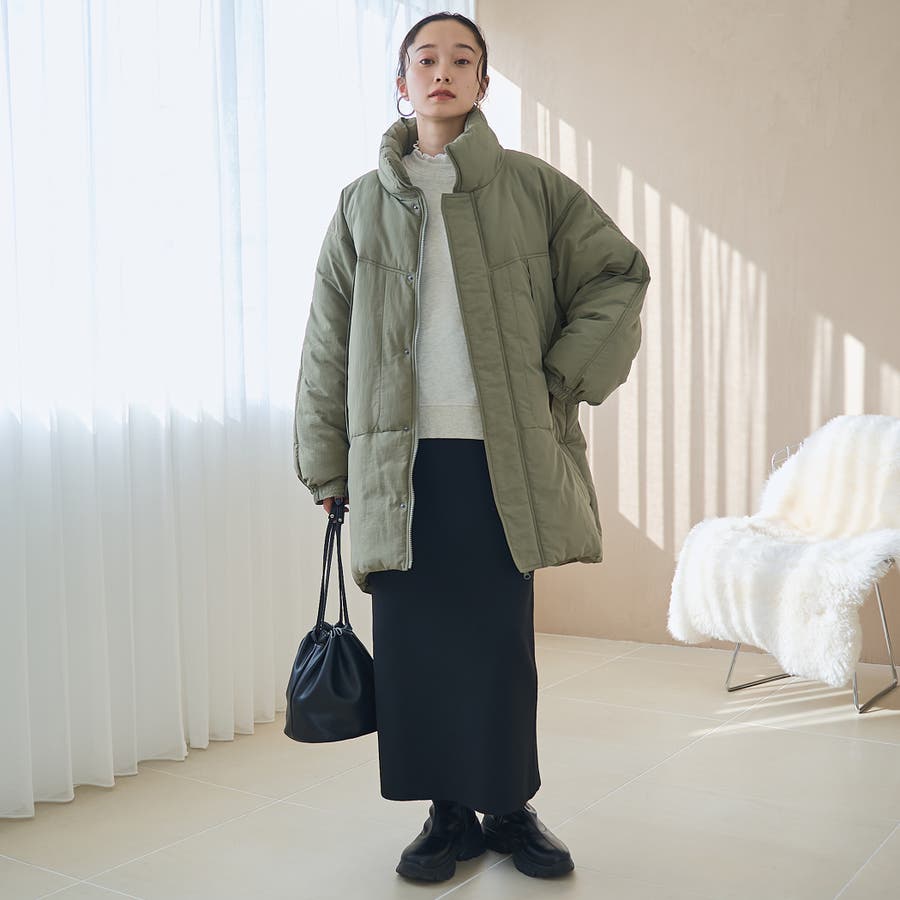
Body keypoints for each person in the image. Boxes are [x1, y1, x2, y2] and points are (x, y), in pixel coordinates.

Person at [294, 11, 651, 885]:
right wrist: (327, 461)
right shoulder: (361, 204)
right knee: (412, 646)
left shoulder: (531, 187)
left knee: (498, 644)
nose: (443, 71)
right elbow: (327, 341)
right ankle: (443, 813)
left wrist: (560, 374)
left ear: (484, 82)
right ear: (402, 82)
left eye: (463, 59)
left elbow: (618, 272)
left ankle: (508, 806)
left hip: (501, 454)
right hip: (398, 461)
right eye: (426, 59)